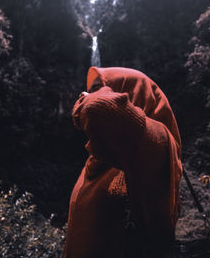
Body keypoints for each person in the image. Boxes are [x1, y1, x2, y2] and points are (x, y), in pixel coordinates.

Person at [62, 67, 182, 258]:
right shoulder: (102, 160)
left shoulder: (158, 143)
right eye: (93, 90)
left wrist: (86, 99)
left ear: (133, 93)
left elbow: (97, 107)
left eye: (102, 88)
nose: (95, 93)